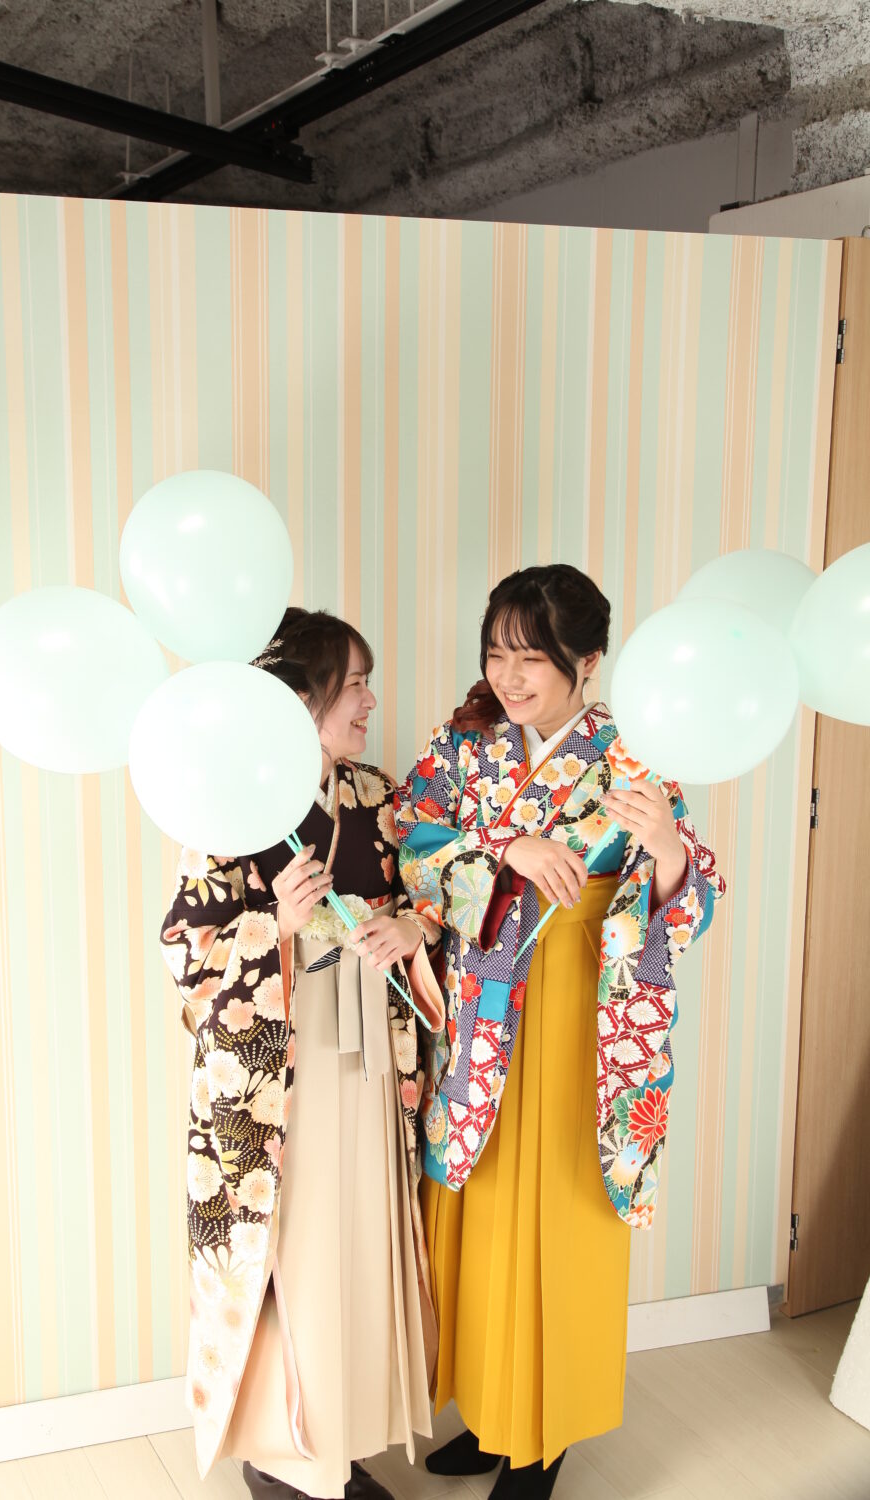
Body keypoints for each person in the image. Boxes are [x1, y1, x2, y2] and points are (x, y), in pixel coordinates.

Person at [394, 564, 726, 1500]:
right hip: (480, 1012)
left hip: (581, 1011)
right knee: (477, 1212)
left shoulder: (633, 753)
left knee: (561, 1219)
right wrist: (507, 846)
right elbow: (410, 840)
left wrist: (666, 849)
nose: (508, 677)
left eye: (530, 658)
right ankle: (491, 1413)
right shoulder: (466, 744)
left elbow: (691, 902)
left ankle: (542, 1442)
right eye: (496, 655)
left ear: (587, 660)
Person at [160, 606, 444, 1500]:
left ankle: (341, 1444)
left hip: (366, 1054)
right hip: (279, 1068)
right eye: (354, 683)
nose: (370, 701)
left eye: (367, 683)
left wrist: (411, 926)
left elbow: (435, 895)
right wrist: (273, 924)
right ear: (301, 696)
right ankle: (282, 1456)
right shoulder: (227, 803)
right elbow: (187, 954)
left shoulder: (378, 795)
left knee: (356, 1246)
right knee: (294, 1253)